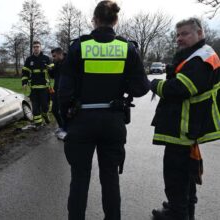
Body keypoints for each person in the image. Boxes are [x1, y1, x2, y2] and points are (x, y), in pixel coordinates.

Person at [58, 1, 149, 219]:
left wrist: (65, 123)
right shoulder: (128, 48)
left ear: (95, 20)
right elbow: (141, 88)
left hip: (81, 121)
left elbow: (63, 93)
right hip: (113, 120)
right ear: (115, 20)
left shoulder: (78, 46)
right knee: (110, 178)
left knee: (79, 178)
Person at [150, 17, 220, 220]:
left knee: (175, 179)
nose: (179, 38)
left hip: (184, 128)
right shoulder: (196, 55)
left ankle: (178, 213)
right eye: (177, 34)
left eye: (185, 34)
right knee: (186, 178)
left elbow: (181, 88)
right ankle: (179, 209)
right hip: (186, 127)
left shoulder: (201, 58)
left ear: (200, 33)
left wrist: (154, 85)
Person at [21, 40, 54, 128]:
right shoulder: (29, 60)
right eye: (34, 47)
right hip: (34, 88)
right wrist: (24, 83)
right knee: (35, 108)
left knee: (45, 106)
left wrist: (49, 68)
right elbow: (25, 73)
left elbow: (53, 70)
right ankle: (38, 124)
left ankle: (45, 115)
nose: (36, 48)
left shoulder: (46, 58)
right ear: (32, 48)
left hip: (44, 87)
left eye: (37, 47)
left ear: (40, 47)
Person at [49, 47, 67, 140]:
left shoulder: (68, 62)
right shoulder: (57, 63)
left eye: (54, 56)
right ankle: (62, 127)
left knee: (64, 111)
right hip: (56, 90)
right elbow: (53, 75)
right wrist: (49, 70)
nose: (53, 58)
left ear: (60, 54)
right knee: (54, 110)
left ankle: (66, 130)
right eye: (52, 56)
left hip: (66, 91)